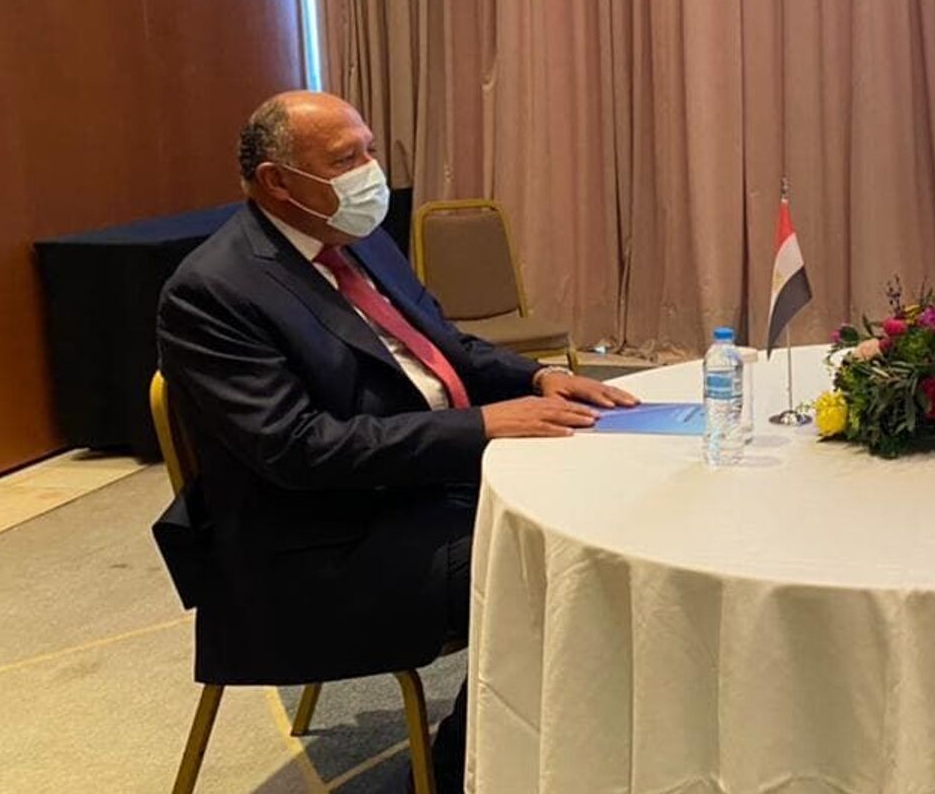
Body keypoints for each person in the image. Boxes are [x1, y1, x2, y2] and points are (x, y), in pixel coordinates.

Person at [157, 91, 637, 793]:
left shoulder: (359, 239)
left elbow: (447, 348)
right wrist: (480, 426)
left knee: (604, 500)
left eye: (370, 150)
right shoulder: (213, 291)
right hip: (319, 545)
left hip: (422, 486)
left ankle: (569, 748)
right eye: (345, 159)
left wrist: (536, 377)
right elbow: (299, 449)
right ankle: (462, 771)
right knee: (557, 570)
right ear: (278, 182)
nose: (369, 171)